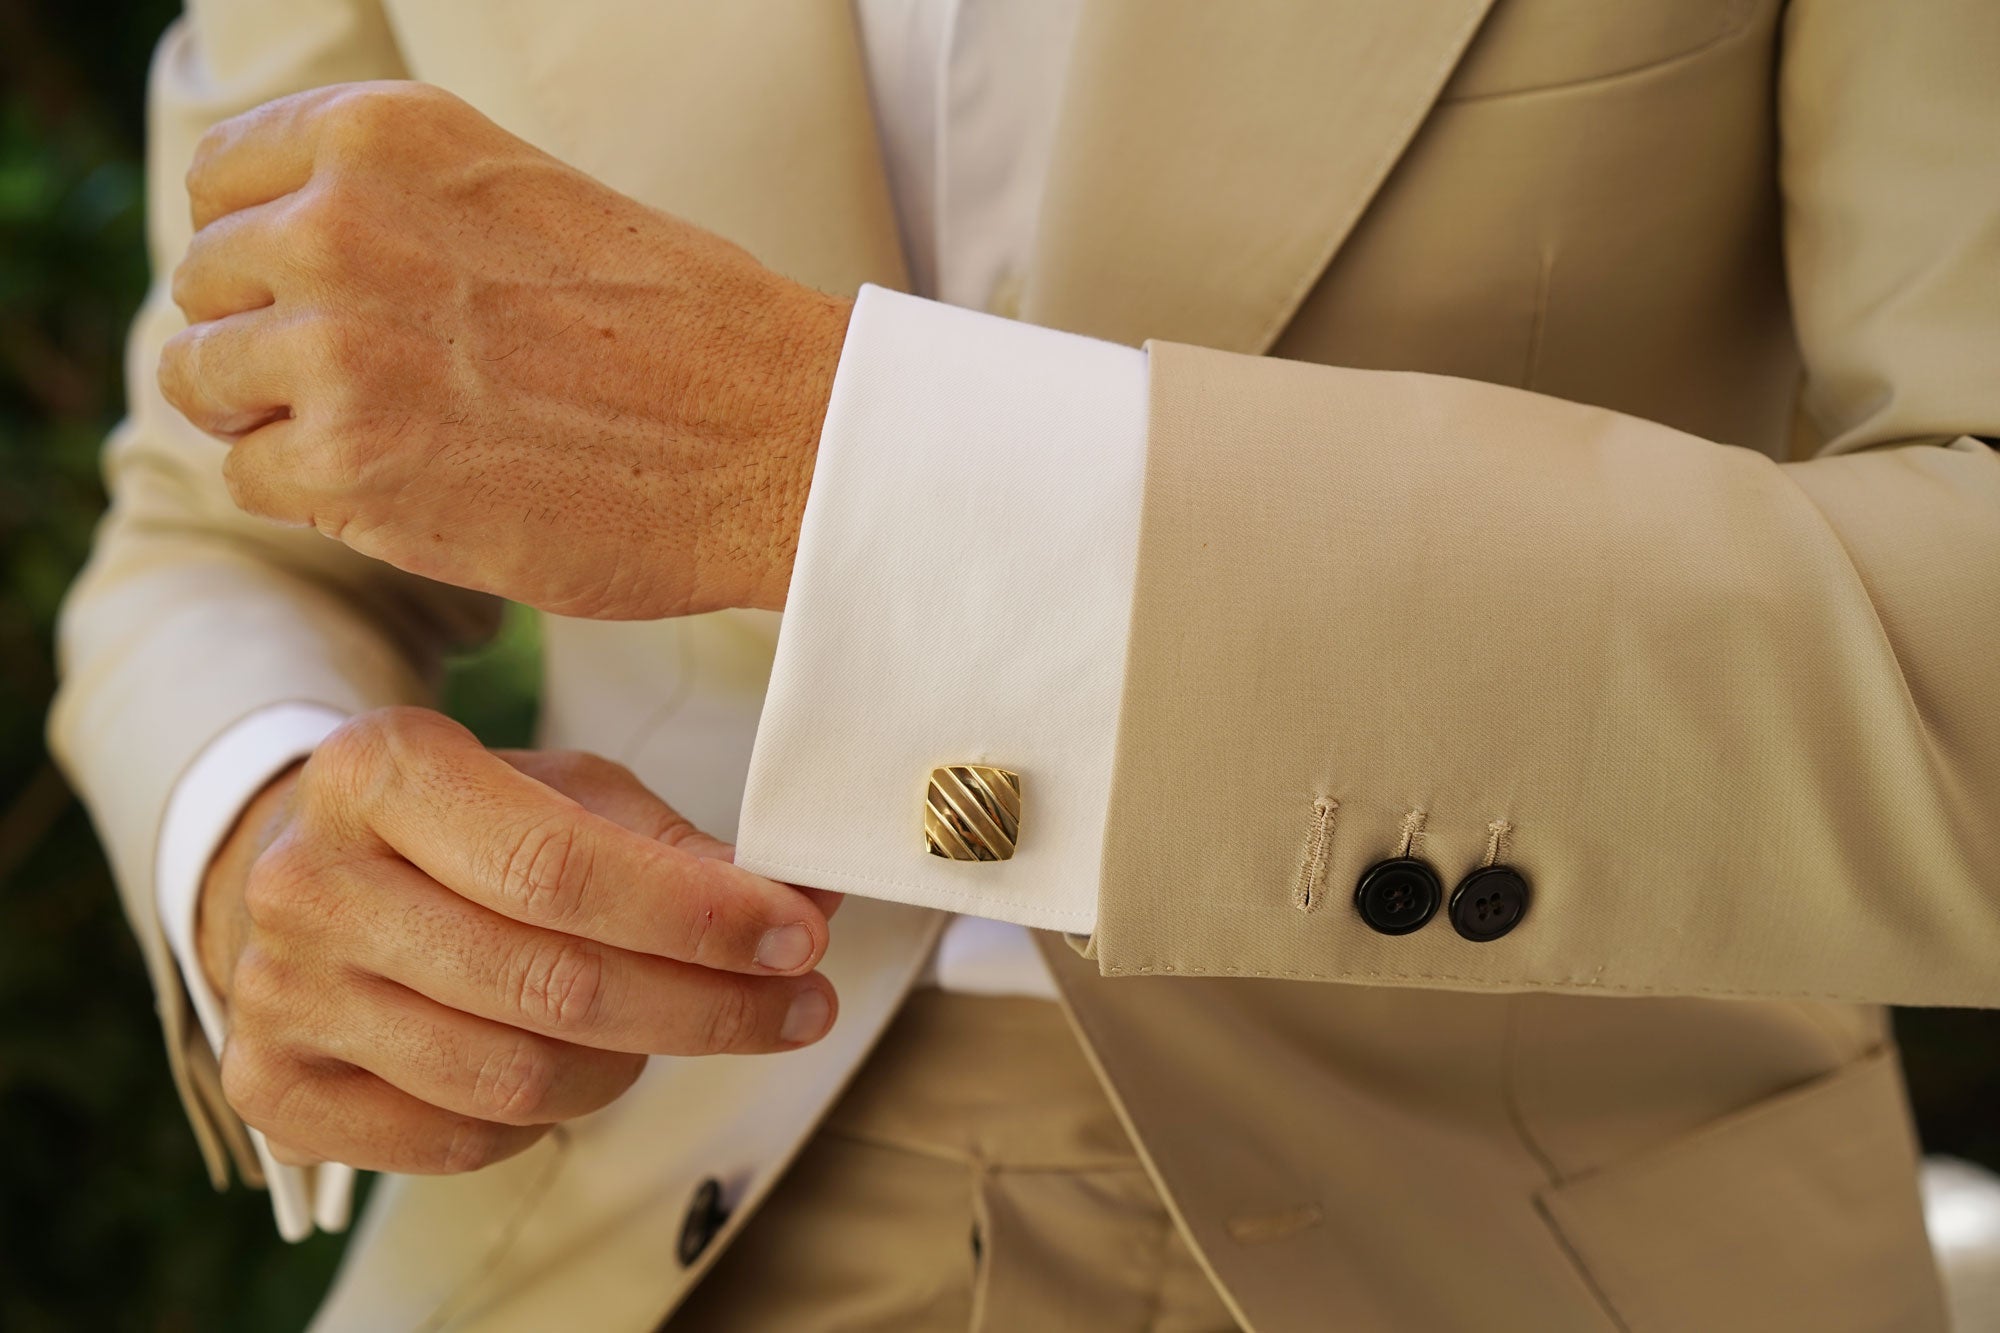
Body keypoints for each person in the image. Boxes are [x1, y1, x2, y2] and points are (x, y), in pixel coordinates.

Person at [50, 1, 2000, 1329]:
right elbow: (205, 521)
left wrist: (837, 469)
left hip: (1543, 1233)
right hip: (598, 1218)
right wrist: (259, 821)